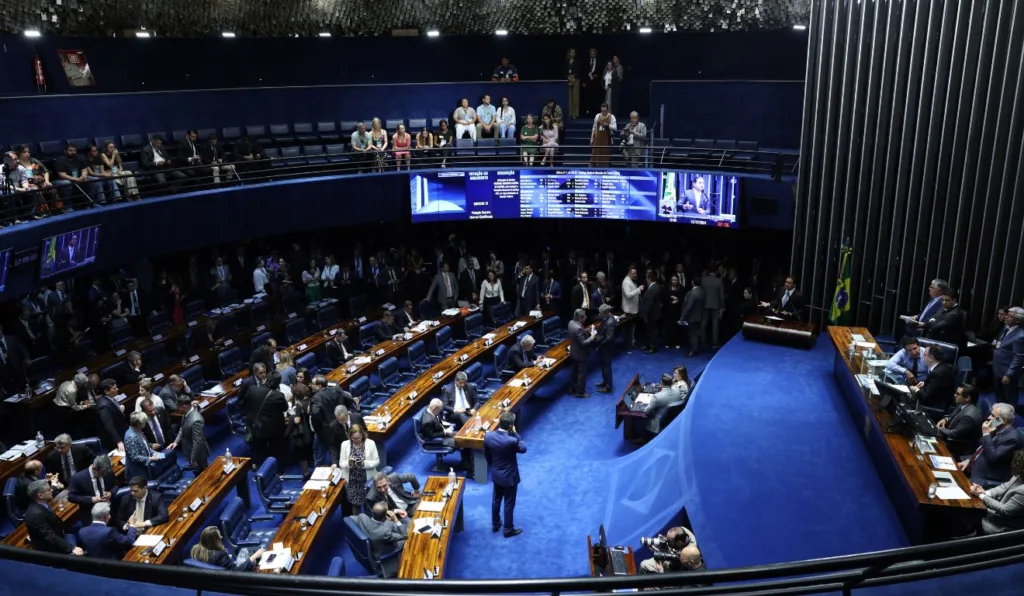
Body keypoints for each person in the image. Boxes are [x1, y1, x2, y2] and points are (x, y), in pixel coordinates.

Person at [958, 403, 1023, 488]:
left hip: (984, 478)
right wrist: (969, 461)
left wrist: (986, 434)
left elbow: (993, 457)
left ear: (1003, 420)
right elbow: (982, 449)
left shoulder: (1012, 438)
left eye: (993, 416)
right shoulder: (996, 428)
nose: (988, 417)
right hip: (972, 467)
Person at [484, 412, 526, 538]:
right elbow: (523, 448)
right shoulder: (512, 440)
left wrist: (494, 466)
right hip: (509, 477)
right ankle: (508, 529)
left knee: (496, 500)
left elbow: (486, 454)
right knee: (509, 503)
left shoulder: (488, 436)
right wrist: (516, 433)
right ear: (511, 425)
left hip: (496, 473)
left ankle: (495, 524)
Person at [24, 480, 84, 555]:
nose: (51, 490)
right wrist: (72, 548)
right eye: (48, 490)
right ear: (40, 495)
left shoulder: (41, 503)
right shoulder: (36, 514)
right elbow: (50, 536)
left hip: (59, 532)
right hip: (51, 549)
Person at [353, 501, 411, 578]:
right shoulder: (384, 533)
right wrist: (396, 520)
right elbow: (404, 535)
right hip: (384, 550)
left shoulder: (362, 516)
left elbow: (350, 519)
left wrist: (395, 512)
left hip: (374, 538)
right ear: (385, 516)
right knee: (409, 536)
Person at [243, 370, 288, 468]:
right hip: (273, 429)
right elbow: (285, 408)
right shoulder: (278, 395)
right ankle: (278, 469)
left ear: (266, 379)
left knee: (257, 448)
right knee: (277, 448)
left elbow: (246, 403)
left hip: (256, 426)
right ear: (278, 383)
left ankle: (256, 465)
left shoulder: (252, 389)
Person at [971, 451, 1024, 534]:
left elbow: (1004, 509)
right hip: (996, 510)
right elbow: (1004, 487)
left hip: (1004, 525)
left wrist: (981, 496)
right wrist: (985, 493)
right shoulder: (1020, 474)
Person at [337, 424, 379, 515]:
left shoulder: (371, 443)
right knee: (355, 506)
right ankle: (357, 522)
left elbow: (376, 461)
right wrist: (349, 463)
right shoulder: (345, 444)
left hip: (367, 480)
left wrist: (364, 463)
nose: (356, 440)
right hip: (352, 482)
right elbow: (341, 463)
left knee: (369, 505)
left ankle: (369, 522)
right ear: (350, 436)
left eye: (358, 438)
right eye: (353, 438)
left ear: (362, 435)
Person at [935, 384, 984, 458]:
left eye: (958, 394)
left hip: (958, 447)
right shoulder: (964, 403)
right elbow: (953, 414)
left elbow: (955, 434)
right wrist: (945, 419)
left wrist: (940, 429)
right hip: (950, 435)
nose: (955, 395)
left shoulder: (968, 416)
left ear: (967, 398)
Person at [68, 455, 116, 525]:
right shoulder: (77, 478)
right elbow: (71, 497)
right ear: (94, 468)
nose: (105, 475)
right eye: (102, 473)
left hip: (109, 510)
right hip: (91, 515)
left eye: (106, 473)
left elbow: (115, 485)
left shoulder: (108, 472)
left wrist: (111, 493)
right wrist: (91, 499)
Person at [908, 345, 956, 415]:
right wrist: (925, 383)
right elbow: (938, 385)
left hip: (935, 406)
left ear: (931, 358)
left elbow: (924, 397)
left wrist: (915, 389)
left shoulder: (937, 373)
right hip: (941, 399)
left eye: (924, 355)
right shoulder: (944, 366)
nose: (922, 357)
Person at [190, 526, 265, 571]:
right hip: (232, 580)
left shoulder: (195, 550)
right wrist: (254, 557)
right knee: (251, 554)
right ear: (213, 541)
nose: (221, 537)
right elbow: (236, 572)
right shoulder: (220, 555)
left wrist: (225, 561)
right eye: (219, 537)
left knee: (245, 551)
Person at [167, 394, 210, 470]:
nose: (177, 409)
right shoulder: (186, 414)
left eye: (178, 407)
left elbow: (197, 442)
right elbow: (182, 428)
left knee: (204, 472)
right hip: (189, 450)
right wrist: (176, 442)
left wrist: (193, 458)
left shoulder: (196, 420)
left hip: (198, 454)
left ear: (184, 406)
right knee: (195, 472)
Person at [992, 306, 1024, 407]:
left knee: (1009, 400)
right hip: (998, 368)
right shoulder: (1006, 328)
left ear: (1017, 321)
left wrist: (1009, 374)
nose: (1006, 317)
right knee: (999, 397)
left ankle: (1009, 416)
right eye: (1007, 315)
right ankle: (998, 415)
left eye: (1010, 316)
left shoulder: (1020, 336)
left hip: (1007, 372)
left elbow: (1018, 357)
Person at [285, 383, 315, 477]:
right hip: (312, 429)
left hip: (303, 433)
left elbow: (297, 421)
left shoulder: (299, 405)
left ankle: (306, 472)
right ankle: (311, 461)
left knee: (302, 453)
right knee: (310, 448)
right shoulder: (311, 400)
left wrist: (293, 415)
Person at [568, 308, 598, 397]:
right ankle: (580, 392)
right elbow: (583, 343)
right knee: (581, 374)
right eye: (585, 317)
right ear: (580, 318)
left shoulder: (571, 323)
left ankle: (571, 389)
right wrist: (592, 337)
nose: (586, 318)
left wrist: (586, 331)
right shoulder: (578, 328)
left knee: (573, 372)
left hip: (573, 352)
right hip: (581, 354)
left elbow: (578, 334)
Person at [124, 411, 162, 480]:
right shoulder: (130, 437)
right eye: (144, 421)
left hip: (145, 467)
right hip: (137, 472)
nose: (145, 422)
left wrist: (155, 453)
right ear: (138, 424)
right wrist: (150, 458)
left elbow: (145, 447)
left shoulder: (138, 431)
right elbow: (135, 457)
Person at [593, 304, 618, 393]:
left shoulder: (610, 322)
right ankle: (605, 382)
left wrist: (599, 345)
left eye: (601, 313)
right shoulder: (606, 318)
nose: (599, 314)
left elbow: (609, 338)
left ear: (606, 312)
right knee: (603, 366)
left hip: (606, 347)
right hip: (603, 346)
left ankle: (608, 387)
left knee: (606, 367)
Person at [679, 277, 706, 357]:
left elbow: (688, 307)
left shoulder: (692, 293)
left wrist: (682, 317)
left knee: (692, 334)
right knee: (696, 333)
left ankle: (693, 350)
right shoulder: (702, 292)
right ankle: (695, 348)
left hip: (692, 317)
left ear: (692, 282)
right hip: (700, 316)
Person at [638, 271, 663, 354]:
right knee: (651, 331)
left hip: (651, 314)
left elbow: (648, 304)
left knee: (651, 331)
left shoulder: (652, 289)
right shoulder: (658, 286)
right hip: (655, 313)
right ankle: (649, 345)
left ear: (649, 279)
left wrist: (645, 316)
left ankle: (653, 347)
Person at [589, 102, 616, 167]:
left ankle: (605, 169)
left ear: (607, 110)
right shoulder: (597, 116)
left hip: (607, 140)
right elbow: (594, 127)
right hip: (598, 139)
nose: (603, 112)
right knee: (595, 155)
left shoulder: (611, 117)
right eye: (602, 111)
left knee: (605, 156)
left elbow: (615, 128)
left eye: (605, 111)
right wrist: (591, 138)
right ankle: (594, 169)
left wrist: (608, 126)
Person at [565, 48, 581, 118]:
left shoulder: (577, 62)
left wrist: (574, 77)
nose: (572, 53)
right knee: (569, 97)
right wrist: (567, 77)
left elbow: (579, 71)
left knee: (575, 98)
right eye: (571, 52)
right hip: (568, 79)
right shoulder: (566, 61)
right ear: (569, 53)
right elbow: (564, 70)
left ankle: (575, 114)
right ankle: (569, 113)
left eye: (574, 52)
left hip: (575, 79)